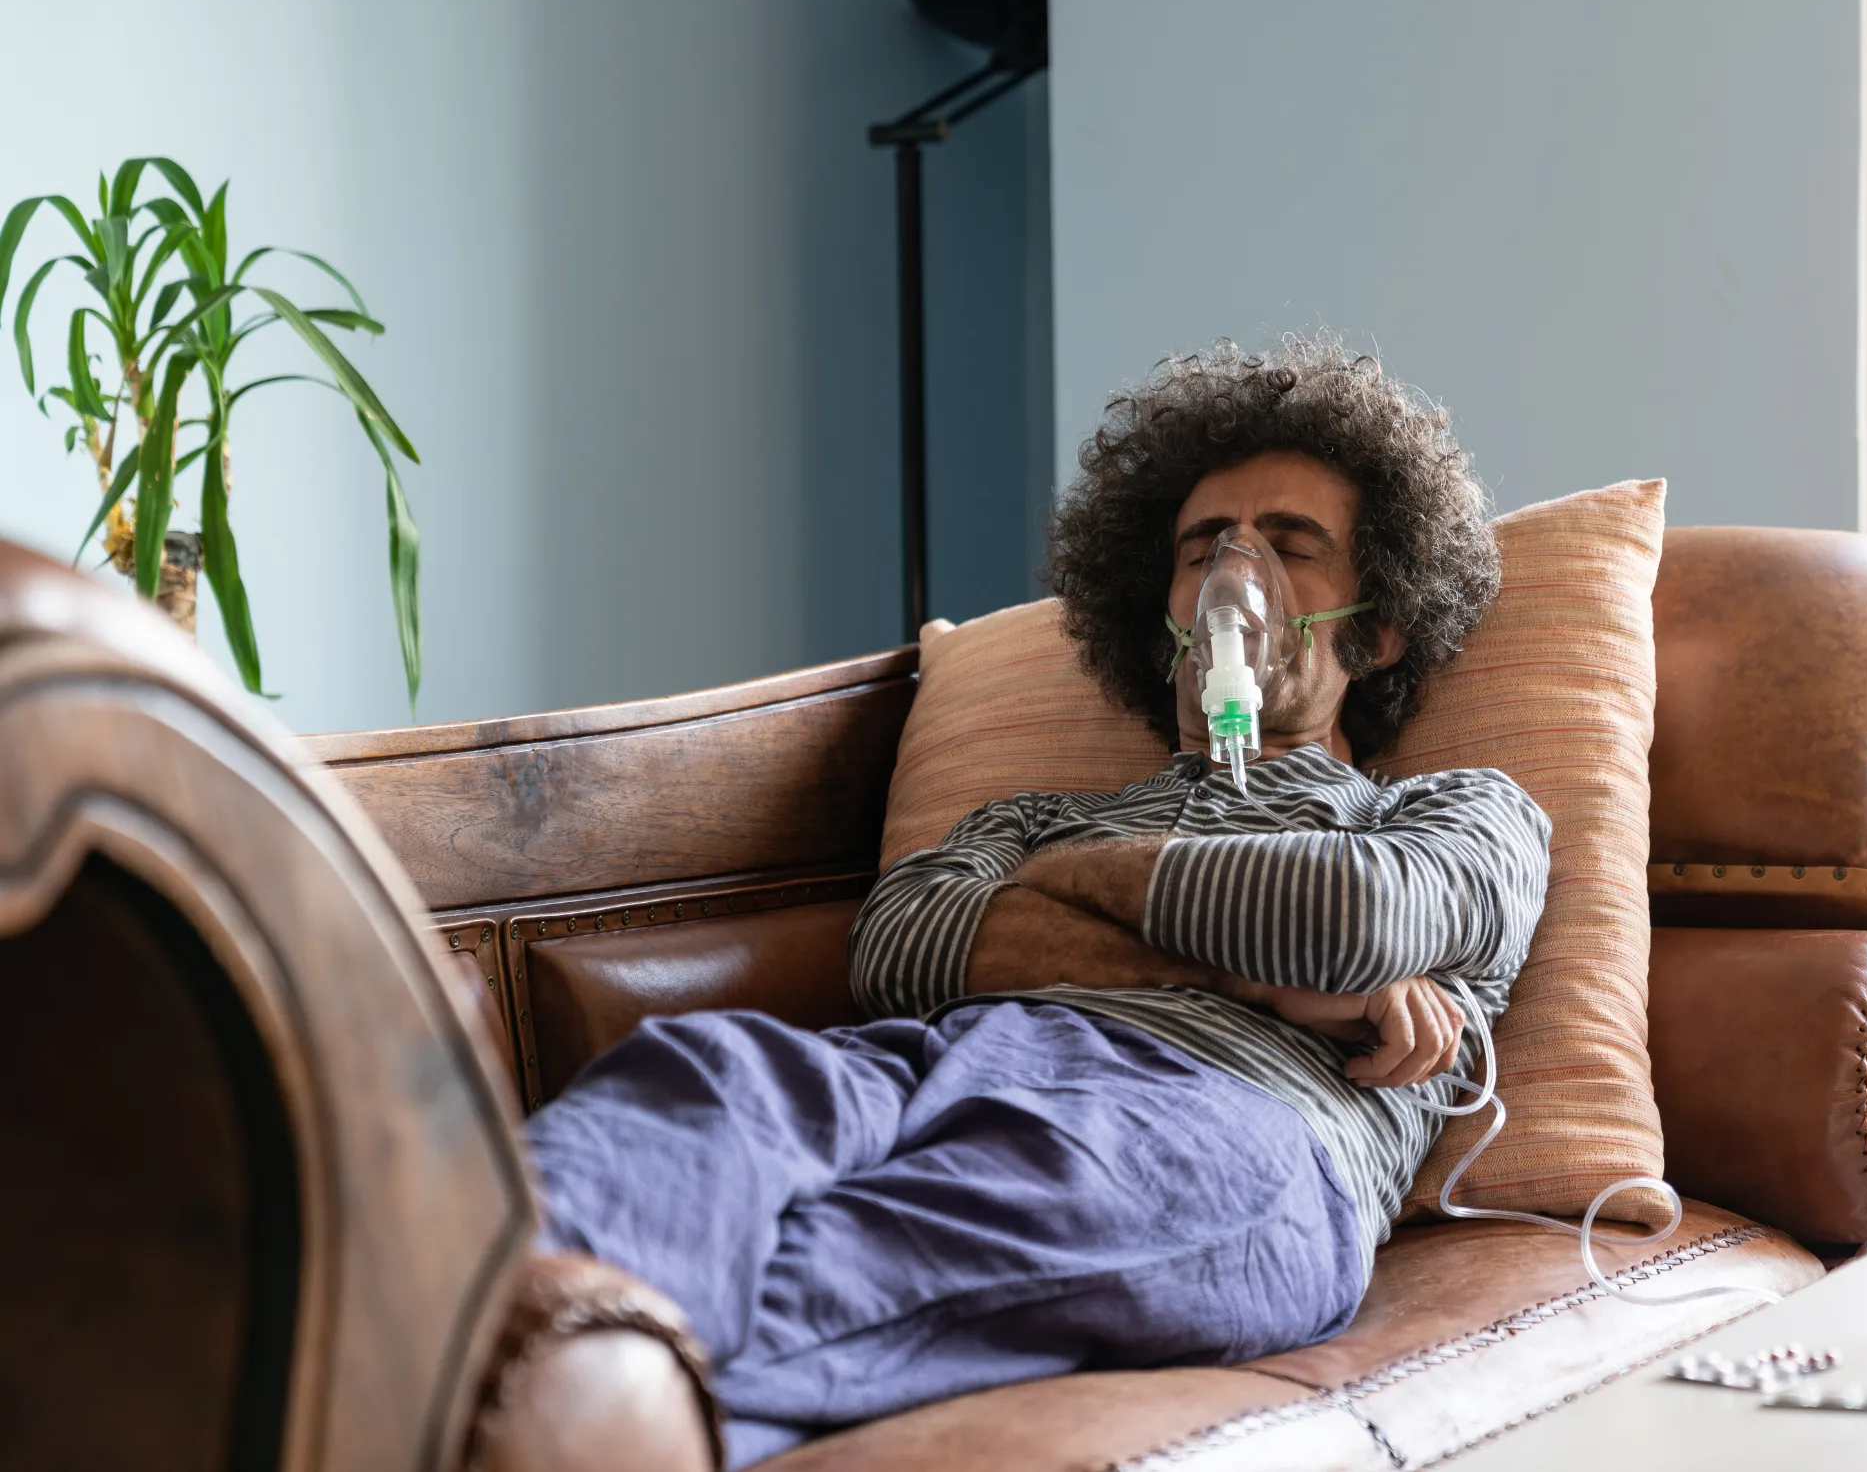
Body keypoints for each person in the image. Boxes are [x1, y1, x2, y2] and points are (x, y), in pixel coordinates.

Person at [523, 338, 1549, 1465]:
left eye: (1291, 546)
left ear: (1378, 625)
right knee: (705, 1079)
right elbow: (902, 944)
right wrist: (1252, 976)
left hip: (1230, 1127)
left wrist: (1056, 901)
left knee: (857, 1252)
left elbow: (1350, 916)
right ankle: (439, 1318)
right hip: (937, 1060)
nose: (1234, 574)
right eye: (1203, 545)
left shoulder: (1459, 812)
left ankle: (513, 1404)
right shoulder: (1038, 819)